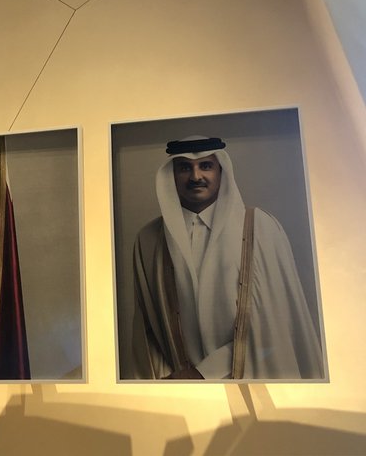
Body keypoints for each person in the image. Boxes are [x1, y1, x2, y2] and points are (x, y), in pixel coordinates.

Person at [131, 136, 323, 379]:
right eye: (185, 168)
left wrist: (204, 373)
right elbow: (148, 336)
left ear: (221, 171)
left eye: (206, 166)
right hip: (179, 390)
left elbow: (272, 325)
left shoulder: (258, 228)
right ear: (172, 175)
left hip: (254, 381)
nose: (196, 177)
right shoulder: (149, 240)